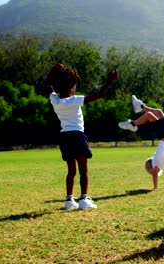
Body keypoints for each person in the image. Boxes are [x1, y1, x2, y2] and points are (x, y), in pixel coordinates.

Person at [45, 63, 118, 210]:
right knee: (83, 170)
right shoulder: (75, 100)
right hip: (77, 135)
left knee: (71, 171)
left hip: (64, 137)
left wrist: (52, 72)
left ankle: (69, 200)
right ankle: (84, 199)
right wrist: (110, 81)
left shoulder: (56, 101)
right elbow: (100, 94)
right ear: (72, 87)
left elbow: (47, 84)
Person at [118, 95, 164, 189]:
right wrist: (163, 187)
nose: (154, 171)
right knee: (154, 113)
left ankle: (139, 108)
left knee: (156, 112)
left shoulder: (158, 161)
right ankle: (133, 122)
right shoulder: (161, 163)